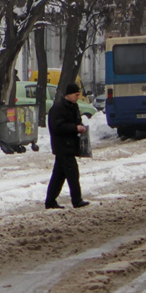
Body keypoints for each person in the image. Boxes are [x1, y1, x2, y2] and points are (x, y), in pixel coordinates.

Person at [45, 81, 90, 209]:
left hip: (69, 146)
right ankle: (77, 200)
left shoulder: (73, 106)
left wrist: (80, 127)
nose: (78, 97)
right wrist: (75, 128)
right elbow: (57, 127)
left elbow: (76, 121)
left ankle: (50, 201)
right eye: (76, 95)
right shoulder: (58, 108)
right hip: (63, 146)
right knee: (72, 174)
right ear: (69, 95)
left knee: (58, 176)